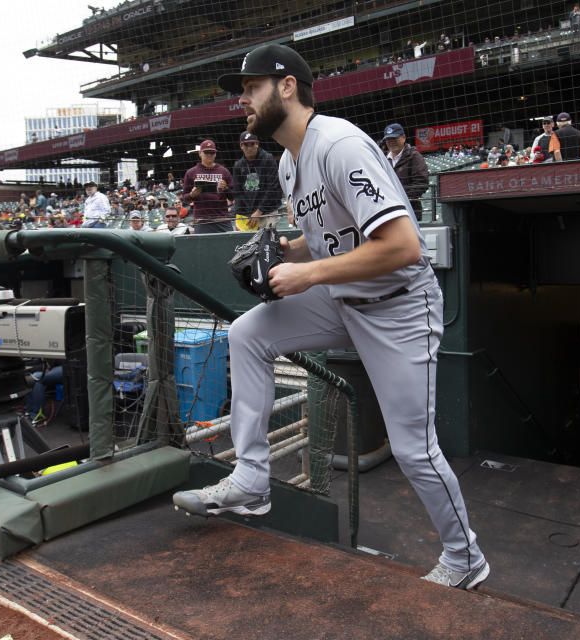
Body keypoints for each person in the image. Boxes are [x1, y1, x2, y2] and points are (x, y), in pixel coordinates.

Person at [175, 43, 489, 591]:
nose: (242, 101)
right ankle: (251, 477)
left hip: (397, 308)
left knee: (415, 449)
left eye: (250, 89)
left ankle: (465, 558)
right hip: (347, 298)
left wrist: (310, 275)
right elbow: (330, 241)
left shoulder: (339, 144)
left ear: (288, 87)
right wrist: (292, 252)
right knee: (248, 333)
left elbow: (404, 247)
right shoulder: (291, 162)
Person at [232, 130, 282, 231]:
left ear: (257, 144)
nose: (249, 148)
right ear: (241, 146)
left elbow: (273, 187)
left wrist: (259, 211)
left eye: (252, 144)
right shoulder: (238, 165)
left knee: (267, 243)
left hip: (268, 212)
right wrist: (241, 217)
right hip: (249, 215)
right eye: (246, 145)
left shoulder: (268, 159)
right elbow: (238, 193)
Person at [182, 139, 234, 233]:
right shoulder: (191, 172)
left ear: (215, 154)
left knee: (228, 245)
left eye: (212, 152)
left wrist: (225, 188)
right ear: (200, 153)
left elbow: (233, 196)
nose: (209, 155)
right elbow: (185, 198)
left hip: (222, 219)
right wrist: (192, 194)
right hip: (202, 220)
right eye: (206, 152)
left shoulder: (224, 171)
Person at [382, 122, 430, 220]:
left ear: (403, 137)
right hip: (388, 211)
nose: (391, 142)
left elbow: (422, 182)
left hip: (410, 210)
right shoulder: (383, 159)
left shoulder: (414, 156)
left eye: (394, 138)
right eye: (388, 139)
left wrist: (401, 198)